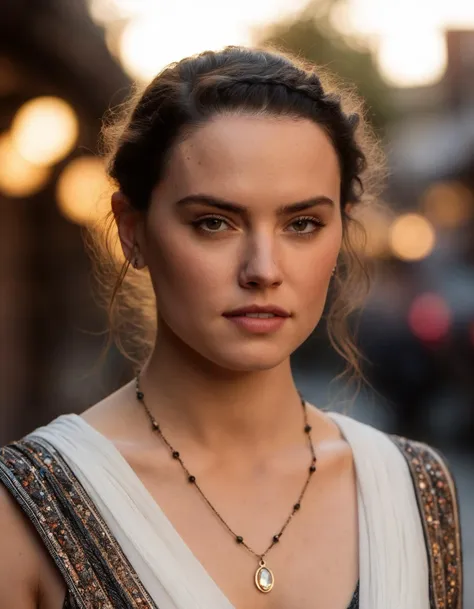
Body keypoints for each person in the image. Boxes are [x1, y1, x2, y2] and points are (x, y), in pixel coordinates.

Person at [0, 45, 462, 609]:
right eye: (214, 222)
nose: (263, 270)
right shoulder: (27, 511)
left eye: (302, 224)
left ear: (340, 231)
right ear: (132, 230)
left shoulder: (417, 491)